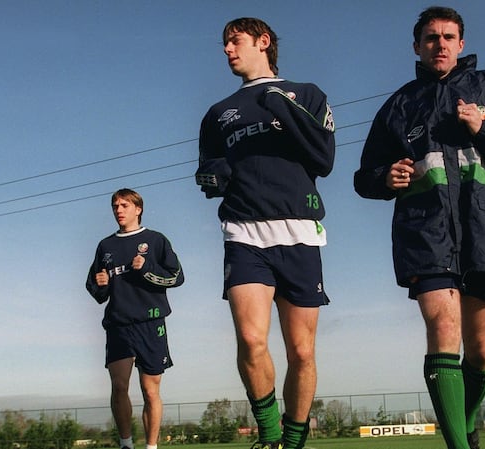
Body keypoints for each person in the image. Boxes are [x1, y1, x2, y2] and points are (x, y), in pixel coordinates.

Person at [354, 6, 485, 449]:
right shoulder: (398, 106)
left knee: (481, 352)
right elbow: (364, 176)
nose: (439, 44)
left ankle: (466, 422)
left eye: (448, 37)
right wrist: (386, 178)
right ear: (417, 47)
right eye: (430, 37)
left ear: (461, 44)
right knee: (443, 329)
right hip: (425, 232)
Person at [195, 17, 336, 449]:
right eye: (224, 43)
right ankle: (271, 437)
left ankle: (294, 440)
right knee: (253, 340)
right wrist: (212, 176)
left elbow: (324, 158)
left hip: (298, 231)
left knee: (302, 352)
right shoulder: (218, 113)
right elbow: (208, 167)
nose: (226, 49)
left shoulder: (306, 94)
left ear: (263, 42)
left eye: (234, 41)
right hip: (243, 232)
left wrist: (283, 106)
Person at [86, 188, 184, 449]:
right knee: (119, 386)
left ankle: (151, 447)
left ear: (138, 209)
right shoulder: (105, 246)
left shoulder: (156, 240)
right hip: (118, 324)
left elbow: (177, 277)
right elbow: (96, 290)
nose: (119, 210)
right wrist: (101, 283)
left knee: (150, 391)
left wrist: (148, 268)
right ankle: (126, 444)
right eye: (115, 206)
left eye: (125, 205)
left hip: (150, 323)